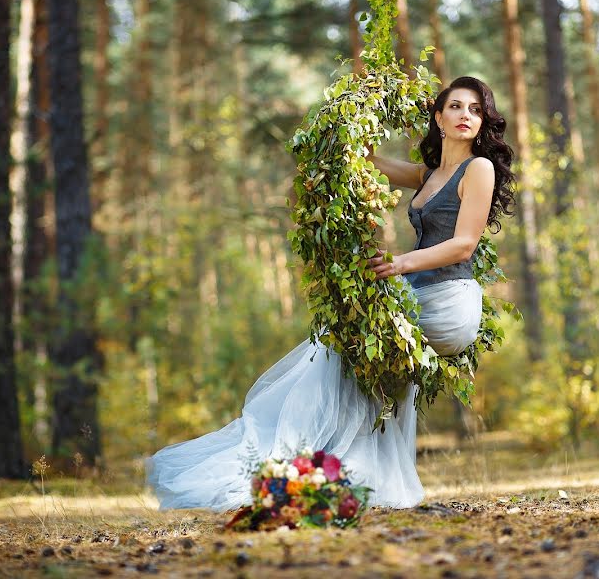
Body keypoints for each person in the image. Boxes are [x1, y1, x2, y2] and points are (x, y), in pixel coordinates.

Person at [146, 76, 516, 511]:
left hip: (449, 301)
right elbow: (371, 161)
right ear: (438, 117)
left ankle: (297, 456)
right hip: (415, 295)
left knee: (337, 347)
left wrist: (398, 264)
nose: (466, 116)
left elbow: (463, 244)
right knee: (363, 371)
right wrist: (347, 122)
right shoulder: (429, 174)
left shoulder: (480, 169)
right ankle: (352, 477)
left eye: (475, 110)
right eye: (455, 106)